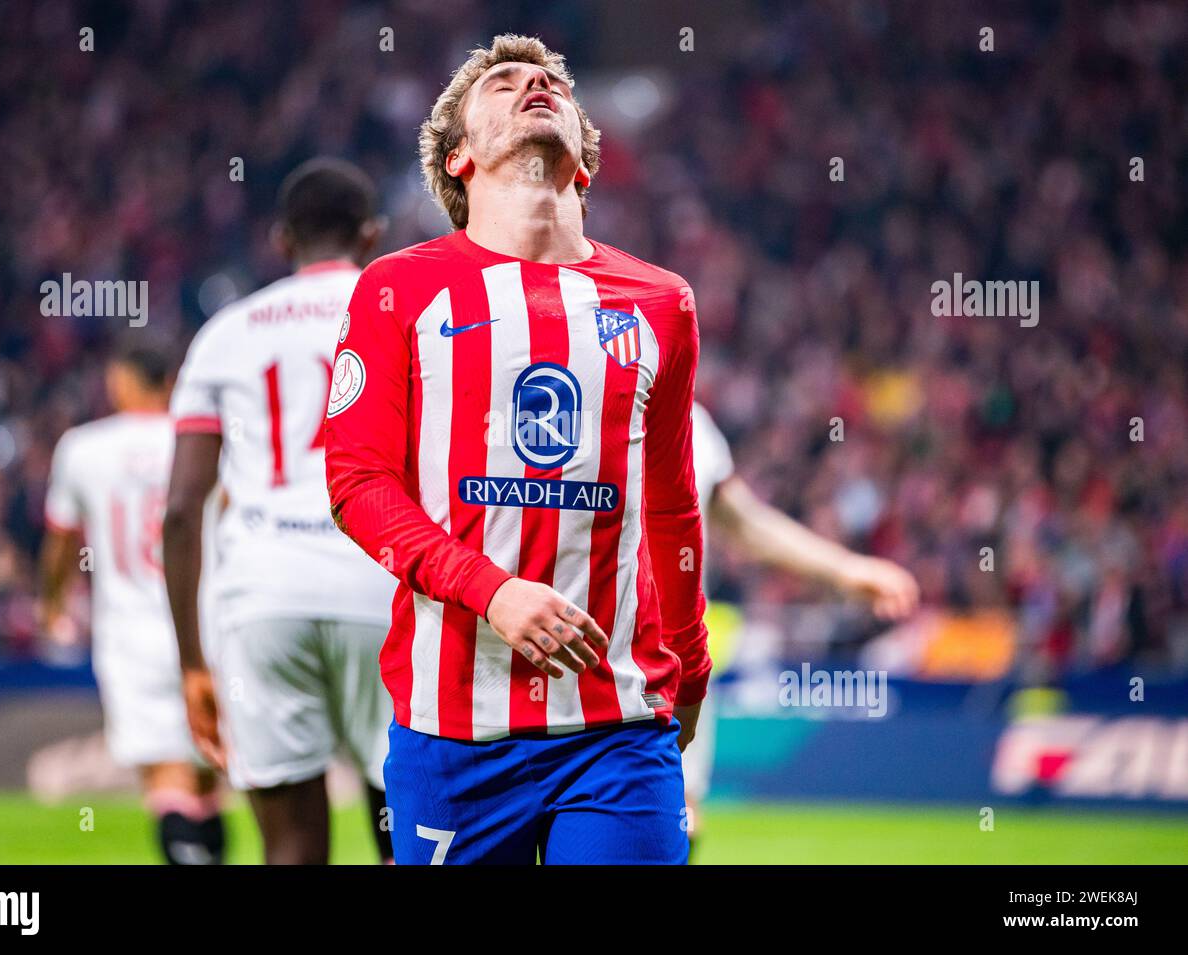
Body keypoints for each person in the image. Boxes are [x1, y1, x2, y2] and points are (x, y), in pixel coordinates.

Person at [324, 35, 707, 864]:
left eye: (552, 84)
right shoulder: (397, 288)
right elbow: (357, 484)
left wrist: (694, 667)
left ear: (586, 164)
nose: (536, 83)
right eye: (504, 83)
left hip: (617, 726)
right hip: (452, 725)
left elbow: (673, 505)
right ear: (458, 158)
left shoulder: (663, 303)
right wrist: (493, 592)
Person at [163, 158, 396, 864]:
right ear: (371, 235)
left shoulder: (225, 334)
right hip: (383, 588)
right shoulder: (407, 314)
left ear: (281, 240)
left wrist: (193, 663)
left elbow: (179, 512)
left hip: (262, 595)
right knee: (413, 834)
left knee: (291, 848)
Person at [682, 401, 920, 845]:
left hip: (674, 668)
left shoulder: (691, 421)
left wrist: (846, 569)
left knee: (678, 826)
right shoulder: (558, 387)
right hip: (571, 669)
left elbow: (745, 522)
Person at [41, 344, 225, 864]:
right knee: (204, 774)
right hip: (204, 628)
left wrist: (51, 602)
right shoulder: (203, 441)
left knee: (166, 779)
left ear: (118, 379)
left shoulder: (82, 448)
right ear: (171, 381)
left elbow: (60, 541)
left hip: (130, 637)